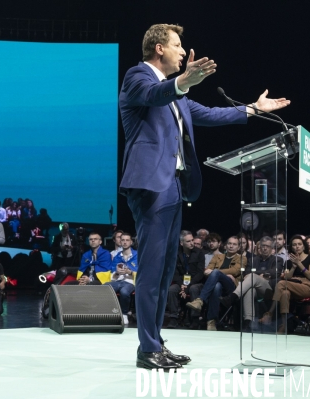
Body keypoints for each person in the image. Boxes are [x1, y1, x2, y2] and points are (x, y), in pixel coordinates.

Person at [119, 23, 289, 369]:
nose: (183, 52)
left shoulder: (177, 98)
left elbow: (210, 115)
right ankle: (146, 348)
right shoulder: (137, 78)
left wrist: (253, 110)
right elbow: (154, 95)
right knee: (152, 271)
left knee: (166, 270)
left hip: (175, 186)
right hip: (152, 186)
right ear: (159, 50)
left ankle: (156, 343)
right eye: (178, 46)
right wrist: (183, 82)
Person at [220, 236, 283, 332]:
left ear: (272, 248)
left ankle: (232, 297)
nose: (265, 248)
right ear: (260, 247)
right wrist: (260, 275)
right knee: (250, 289)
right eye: (263, 246)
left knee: (252, 276)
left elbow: (275, 273)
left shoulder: (277, 259)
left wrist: (257, 275)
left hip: (269, 288)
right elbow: (246, 272)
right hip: (254, 287)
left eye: (267, 246)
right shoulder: (253, 259)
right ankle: (248, 322)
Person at [186, 236, 246, 331]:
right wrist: (221, 273)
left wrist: (216, 272)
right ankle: (211, 321)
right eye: (229, 243)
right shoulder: (217, 256)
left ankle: (200, 300)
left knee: (216, 273)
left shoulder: (242, 258)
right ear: (225, 245)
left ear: (238, 247)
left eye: (234, 244)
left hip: (230, 288)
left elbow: (235, 271)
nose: (231, 246)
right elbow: (206, 271)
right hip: (215, 286)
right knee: (217, 286)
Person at [260, 235, 310, 333]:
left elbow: (309, 275)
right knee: (285, 293)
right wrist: (293, 267)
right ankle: (284, 325)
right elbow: (287, 277)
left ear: (303, 246)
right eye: (294, 245)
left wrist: (299, 263)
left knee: (281, 283)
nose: (297, 247)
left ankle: (269, 313)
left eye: (299, 244)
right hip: (290, 284)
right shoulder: (288, 262)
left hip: (305, 285)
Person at [167, 231, 205, 329]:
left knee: (193, 289)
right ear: (181, 243)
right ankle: (173, 318)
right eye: (188, 241)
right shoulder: (175, 253)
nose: (192, 243)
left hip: (195, 282)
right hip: (181, 282)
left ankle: (194, 319)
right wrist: (182, 285)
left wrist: (187, 287)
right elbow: (174, 272)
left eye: (192, 240)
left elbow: (200, 273)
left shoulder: (199, 253)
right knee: (171, 289)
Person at [107, 233, 138, 325]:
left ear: (131, 242)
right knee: (104, 288)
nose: (125, 242)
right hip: (118, 281)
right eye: (123, 240)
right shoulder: (117, 257)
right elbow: (112, 274)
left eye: (127, 240)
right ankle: (109, 312)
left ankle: (124, 314)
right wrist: (116, 273)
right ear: (120, 242)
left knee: (124, 291)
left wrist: (130, 272)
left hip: (130, 282)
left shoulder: (137, 255)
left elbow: (143, 272)